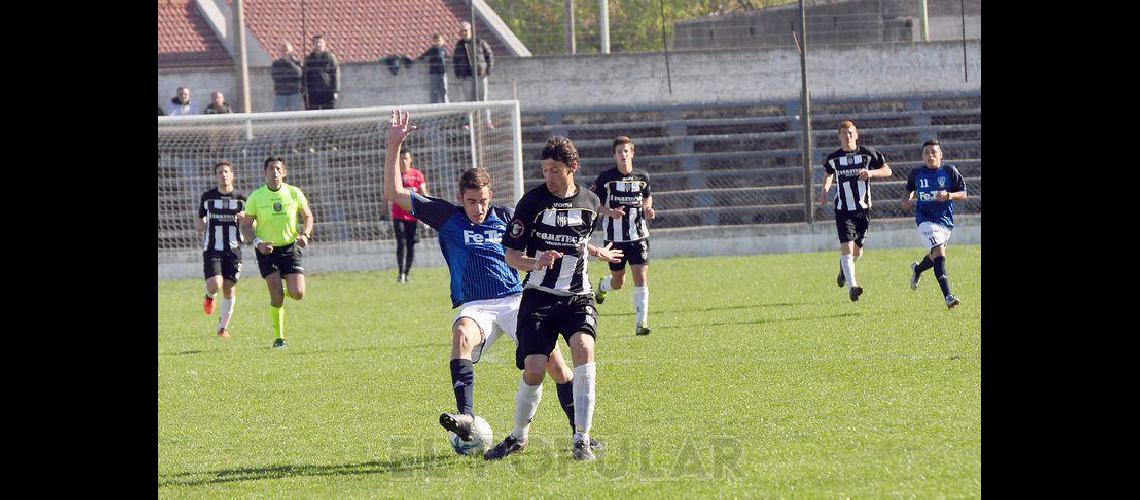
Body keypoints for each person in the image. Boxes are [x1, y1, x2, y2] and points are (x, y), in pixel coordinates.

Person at [383, 110, 605, 451]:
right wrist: (394, 146)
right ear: (461, 198)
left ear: (491, 196)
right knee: (461, 335)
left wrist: (589, 249)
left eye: (484, 201)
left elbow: (551, 238)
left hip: (518, 301)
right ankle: (467, 417)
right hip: (476, 305)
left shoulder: (504, 215)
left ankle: (582, 434)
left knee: (558, 369)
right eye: (472, 202)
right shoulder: (447, 217)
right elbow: (395, 193)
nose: (478, 209)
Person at [485, 135, 623, 462]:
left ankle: (582, 439)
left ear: (572, 168)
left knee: (584, 349)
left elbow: (576, 242)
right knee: (534, 369)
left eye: (555, 170)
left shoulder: (590, 203)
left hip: (578, 297)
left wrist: (596, 251)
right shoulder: (531, 203)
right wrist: (536, 263)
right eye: (545, 170)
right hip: (538, 297)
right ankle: (518, 436)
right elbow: (511, 255)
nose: (548, 177)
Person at [240, 156, 314, 348]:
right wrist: (258, 243)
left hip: (290, 247)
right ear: (265, 172)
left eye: (278, 168)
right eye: (271, 168)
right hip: (267, 250)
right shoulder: (256, 197)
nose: (275, 172)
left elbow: (308, 216)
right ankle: (279, 338)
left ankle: (282, 292)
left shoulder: (294, 193)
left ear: (284, 172)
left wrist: (305, 235)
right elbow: (246, 226)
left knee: (298, 294)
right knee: (276, 297)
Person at [819, 120, 892, 302]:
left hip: (863, 210)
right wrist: (825, 190)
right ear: (839, 137)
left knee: (858, 252)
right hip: (843, 210)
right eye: (844, 133)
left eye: (850, 133)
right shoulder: (833, 158)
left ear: (856, 134)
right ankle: (853, 287)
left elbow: (887, 170)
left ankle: (844, 270)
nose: (847, 136)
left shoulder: (867, 154)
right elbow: (829, 174)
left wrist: (871, 173)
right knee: (847, 248)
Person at [591, 135, 656, 336]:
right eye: (619, 152)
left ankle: (641, 323)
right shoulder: (606, 179)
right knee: (618, 282)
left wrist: (648, 209)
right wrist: (611, 213)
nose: (623, 155)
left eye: (626, 151)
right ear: (615, 155)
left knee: (641, 276)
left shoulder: (642, 177)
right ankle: (603, 284)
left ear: (632, 153)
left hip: (639, 236)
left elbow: (647, 197)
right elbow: (594, 203)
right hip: (615, 239)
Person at [902, 139, 967, 309]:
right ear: (922, 156)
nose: (930, 156)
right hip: (925, 220)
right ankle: (948, 297)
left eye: (933, 152)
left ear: (940, 155)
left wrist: (949, 195)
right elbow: (908, 192)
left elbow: (964, 193)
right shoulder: (916, 173)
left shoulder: (949, 171)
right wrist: (906, 199)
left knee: (935, 256)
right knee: (939, 252)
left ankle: (917, 269)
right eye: (926, 153)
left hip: (945, 222)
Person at [197, 160, 246, 338]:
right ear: (216, 176)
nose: (223, 175)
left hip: (233, 250)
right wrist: (201, 224)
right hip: (212, 248)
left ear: (232, 175)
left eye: (226, 171)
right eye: (220, 172)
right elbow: (199, 221)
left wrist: (245, 220)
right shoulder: (208, 197)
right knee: (215, 284)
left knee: (229, 288)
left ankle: (222, 328)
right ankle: (210, 296)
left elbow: (251, 224)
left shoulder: (241, 199)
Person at [391, 147, 430, 282]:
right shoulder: (395, 176)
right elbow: (388, 194)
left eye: (406, 158)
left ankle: (406, 273)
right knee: (401, 243)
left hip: (413, 216)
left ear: (410, 160)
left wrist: (429, 212)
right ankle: (400, 273)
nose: (403, 161)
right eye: (401, 158)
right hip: (398, 215)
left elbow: (424, 193)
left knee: (411, 244)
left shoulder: (417, 175)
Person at [452, 22, 493, 127]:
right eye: (461, 30)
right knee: (469, 100)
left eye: (465, 30)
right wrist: (458, 73)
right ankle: (469, 122)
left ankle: (486, 122)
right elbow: (455, 60)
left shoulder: (480, 42)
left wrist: (488, 70)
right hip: (467, 77)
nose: (463, 32)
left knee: (483, 98)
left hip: (480, 75)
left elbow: (489, 55)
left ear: (471, 30)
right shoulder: (459, 45)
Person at [303, 34, 341, 110]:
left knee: (327, 115)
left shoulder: (330, 57)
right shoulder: (309, 58)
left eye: (320, 42)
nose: (318, 44)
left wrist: (335, 90)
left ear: (325, 43)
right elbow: (305, 75)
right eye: (316, 42)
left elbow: (335, 74)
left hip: (327, 91)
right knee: (312, 115)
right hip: (313, 92)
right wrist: (304, 90)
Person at [271, 42, 305, 112]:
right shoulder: (276, 63)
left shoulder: (297, 62)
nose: (285, 53)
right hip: (280, 94)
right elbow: (275, 76)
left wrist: (289, 62)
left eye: (287, 51)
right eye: (283, 51)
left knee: (295, 118)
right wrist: (289, 74)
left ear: (291, 51)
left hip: (294, 94)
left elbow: (299, 74)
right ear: (280, 52)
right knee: (278, 117)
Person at [417, 33, 449, 103]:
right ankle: (433, 107)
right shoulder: (431, 50)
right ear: (433, 41)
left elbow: (449, 58)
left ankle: (447, 107)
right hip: (433, 73)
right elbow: (422, 56)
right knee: (434, 91)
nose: (437, 43)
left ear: (442, 41)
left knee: (444, 90)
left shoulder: (445, 50)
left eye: (439, 41)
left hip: (443, 73)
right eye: (436, 41)